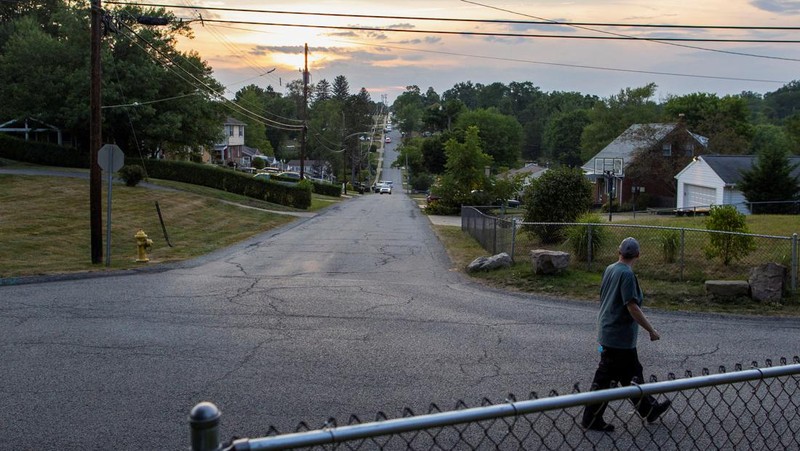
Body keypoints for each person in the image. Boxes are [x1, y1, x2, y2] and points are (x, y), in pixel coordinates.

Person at [581, 237, 671, 432]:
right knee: (608, 376)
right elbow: (632, 306)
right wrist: (651, 330)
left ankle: (649, 409)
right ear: (638, 255)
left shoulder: (610, 269)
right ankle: (591, 418)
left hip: (608, 332)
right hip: (618, 337)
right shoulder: (627, 275)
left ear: (618, 252)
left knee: (631, 373)